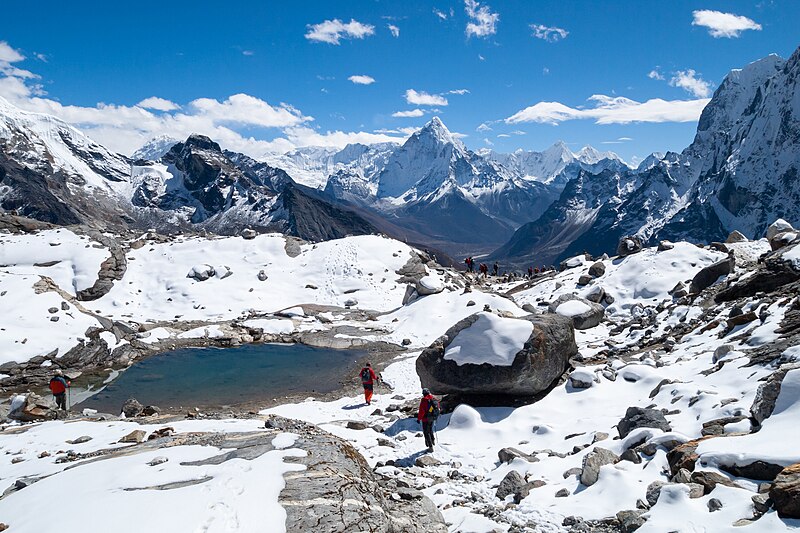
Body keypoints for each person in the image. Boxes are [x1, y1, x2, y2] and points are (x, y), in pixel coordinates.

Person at [417, 388, 440, 452]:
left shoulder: (424, 400)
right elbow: (437, 407)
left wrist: (419, 419)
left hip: (426, 419)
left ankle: (430, 447)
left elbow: (422, 411)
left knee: (426, 432)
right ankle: (433, 441)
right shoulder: (433, 398)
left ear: (424, 394)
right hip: (432, 417)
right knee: (430, 430)